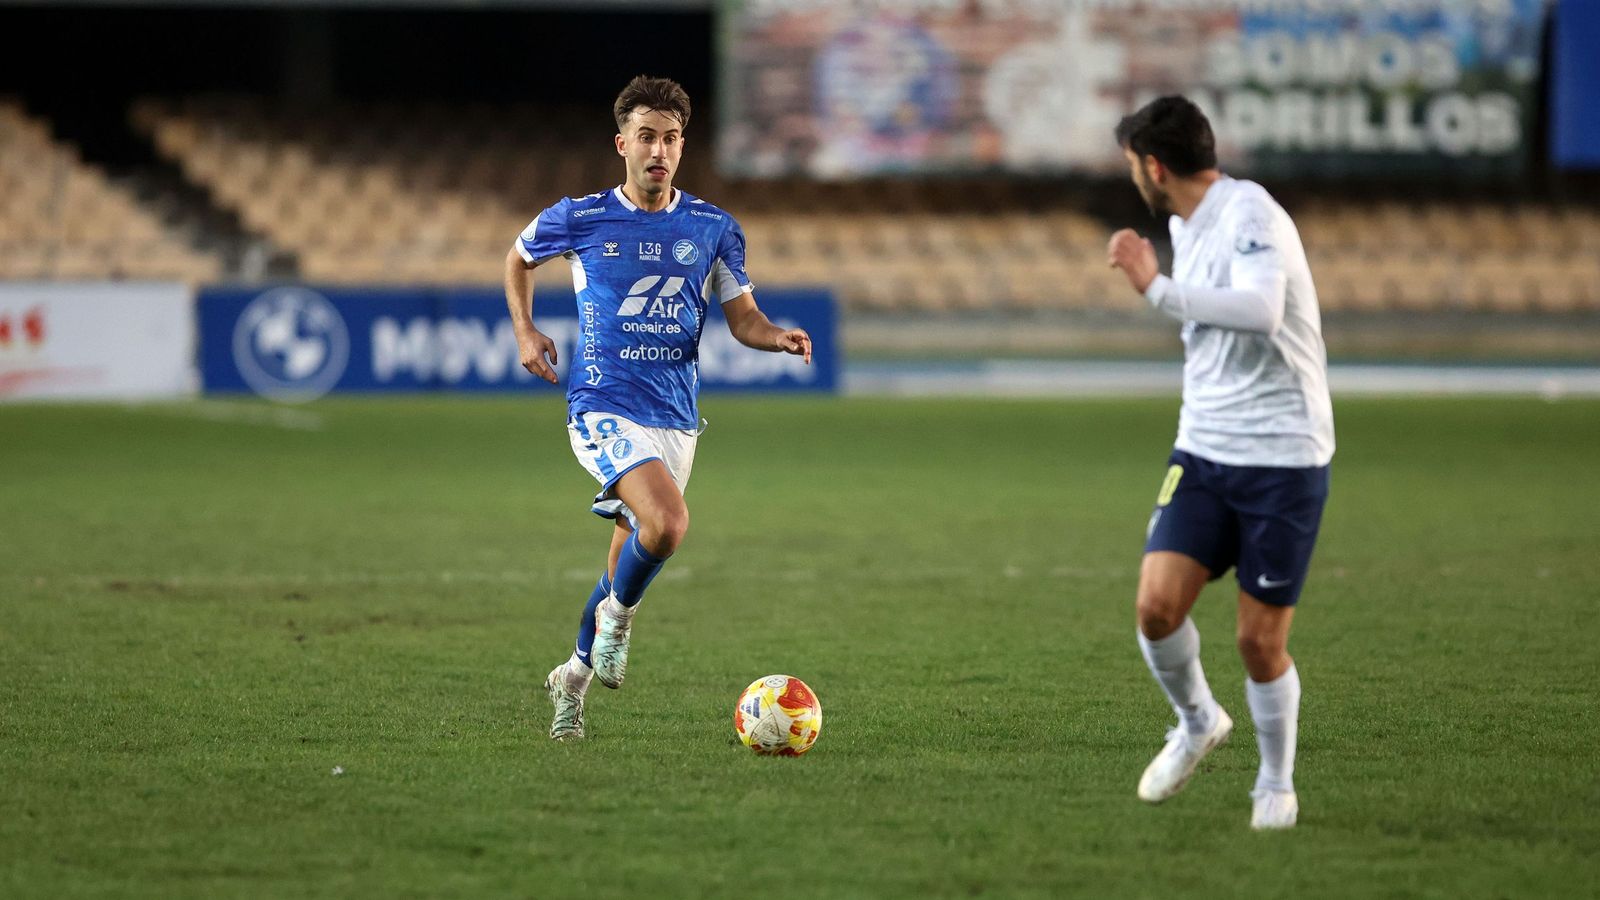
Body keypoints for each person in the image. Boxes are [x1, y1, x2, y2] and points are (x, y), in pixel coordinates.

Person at [503, 75, 812, 741]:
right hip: (601, 403)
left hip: (674, 416)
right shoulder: (582, 217)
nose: (659, 150)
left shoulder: (713, 229)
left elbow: (744, 319)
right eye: (646, 136)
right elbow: (519, 257)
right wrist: (525, 331)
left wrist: (776, 337)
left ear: (682, 146)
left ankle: (571, 683)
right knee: (668, 524)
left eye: (671, 138)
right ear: (622, 144)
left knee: (625, 563)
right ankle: (617, 624)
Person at [1105, 95, 1334, 830]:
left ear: (1154, 166)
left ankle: (1275, 781)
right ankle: (1198, 720)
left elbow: (1261, 311)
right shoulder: (1185, 226)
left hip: (1282, 458)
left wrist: (1157, 290)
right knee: (1155, 608)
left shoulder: (1250, 213)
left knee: (1258, 643)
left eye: (1132, 166)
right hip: (1204, 449)